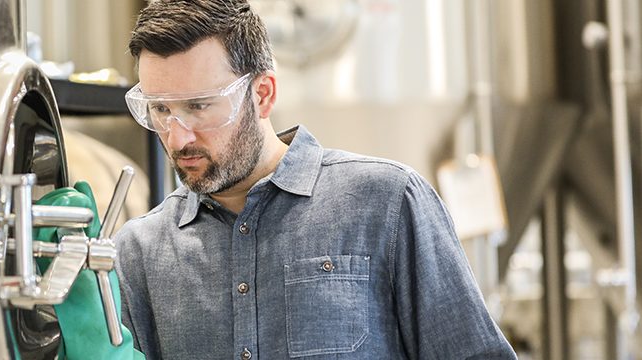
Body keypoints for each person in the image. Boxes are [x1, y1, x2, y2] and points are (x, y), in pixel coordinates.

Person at [114, 1, 517, 359]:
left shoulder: (386, 203)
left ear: (263, 94)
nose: (177, 136)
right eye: (161, 109)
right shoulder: (141, 251)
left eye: (199, 106)